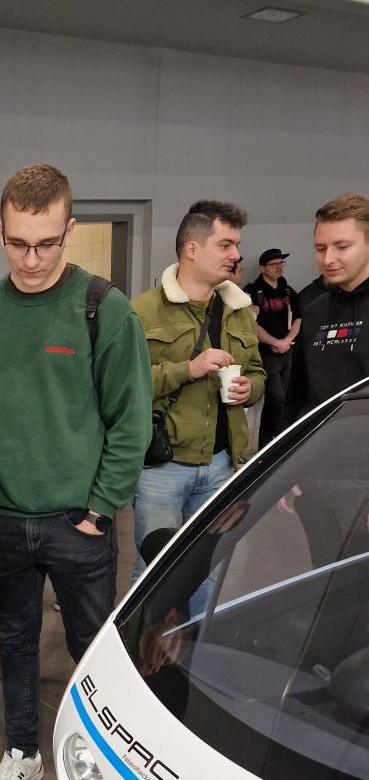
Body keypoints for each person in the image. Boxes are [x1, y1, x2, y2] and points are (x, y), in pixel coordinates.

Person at [0, 163, 152, 780]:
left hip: (77, 524)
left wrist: (100, 511)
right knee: (13, 643)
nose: (31, 259)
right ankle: (22, 752)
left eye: (46, 243)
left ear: (69, 230)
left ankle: (105, 760)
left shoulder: (103, 309)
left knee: (93, 649)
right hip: (1, 525)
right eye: (17, 243)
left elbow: (131, 420)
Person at [132, 201, 265, 584]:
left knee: (209, 569)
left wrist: (249, 388)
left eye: (236, 245)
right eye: (225, 245)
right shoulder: (141, 311)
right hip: (162, 468)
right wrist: (187, 370)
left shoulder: (238, 309)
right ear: (192, 248)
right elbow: (125, 388)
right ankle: (147, 628)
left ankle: (195, 627)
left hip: (222, 464)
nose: (236, 255)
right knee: (153, 572)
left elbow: (258, 373)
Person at [280, 194, 369, 564]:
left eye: (342, 246)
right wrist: (286, 469)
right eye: (320, 248)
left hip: (362, 479)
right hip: (315, 477)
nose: (328, 258)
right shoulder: (314, 311)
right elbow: (297, 396)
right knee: (325, 579)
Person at [244, 248, 301, 446]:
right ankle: (275, 442)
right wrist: (276, 343)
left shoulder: (288, 291)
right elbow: (251, 324)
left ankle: (271, 444)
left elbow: (298, 317)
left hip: (287, 352)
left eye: (281, 263)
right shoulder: (253, 291)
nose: (279, 267)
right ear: (262, 268)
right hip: (266, 353)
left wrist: (287, 341)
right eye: (273, 264)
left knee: (282, 399)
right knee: (276, 398)